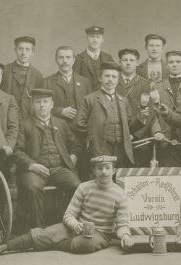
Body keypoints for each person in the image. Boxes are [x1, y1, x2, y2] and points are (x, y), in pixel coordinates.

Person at [0, 155, 134, 257]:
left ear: (113, 170)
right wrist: (75, 224)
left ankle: (52, 244)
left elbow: (122, 225)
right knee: (44, 233)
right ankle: (3, 248)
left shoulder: (120, 194)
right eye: (99, 168)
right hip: (76, 227)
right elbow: (69, 214)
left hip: (100, 233)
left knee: (85, 244)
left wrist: (126, 236)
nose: (103, 172)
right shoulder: (84, 187)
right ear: (94, 170)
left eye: (107, 168)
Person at [14, 89, 81, 230]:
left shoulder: (61, 123)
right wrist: (32, 165)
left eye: (45, 102)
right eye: (38, 102)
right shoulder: (24, 124)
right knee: (32, 187)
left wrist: (73, 157)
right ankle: (38, 230)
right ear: (32, 105)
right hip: (35, 171)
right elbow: (16, 151)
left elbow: (75, 144)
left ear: (52, 104)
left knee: (76, 185)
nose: (42, 105)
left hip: (58, 168)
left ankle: (68, 225)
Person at [75, 61, 148, 168]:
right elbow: (78, 124)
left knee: (119, 178)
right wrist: (93, 136)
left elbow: (129, 126)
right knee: (102, 178)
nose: (110, 79)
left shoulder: (123, 101)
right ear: (100, 78)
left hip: (121, 148)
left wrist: (141, 117)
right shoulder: (90, 99)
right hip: (99, 147)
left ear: (118, 80)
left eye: (114, 77)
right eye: (107, 76)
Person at [38, 46, 92, 180]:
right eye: (61, 57)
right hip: (58, 133)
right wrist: (61, 111)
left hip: (81, 133)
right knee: (62, 170)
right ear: (56, 60)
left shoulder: (85, 82)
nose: (65, 61)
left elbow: (91, 108)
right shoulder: (47, 82)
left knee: (84, 170)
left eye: (68, 57)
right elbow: (40, 107)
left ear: (74, 60)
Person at [116, 48, 164, 167]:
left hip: (139, 138)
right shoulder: (113, 82)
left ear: (137, 63)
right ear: (119, 62)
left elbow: (151, 114)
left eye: (132, 60)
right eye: (125, 60)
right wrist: (123, 134)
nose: (128, 63)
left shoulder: (146, 84)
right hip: (117, 136)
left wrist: (135, 135)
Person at [153, 50, 181, 167]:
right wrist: (157, 131)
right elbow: (153, 114)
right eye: (171, 62)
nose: (174, 64)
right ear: (166, 65)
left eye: (178, 61)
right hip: (165, 138)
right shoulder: (157, 86)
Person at [0, 36, 43, 120]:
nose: (24, 53)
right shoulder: (4, 71)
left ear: (32, 52)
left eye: (27, 49)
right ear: (15, 50)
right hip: (6, 117)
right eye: (20, 49)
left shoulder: (37, 75)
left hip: (28, 119)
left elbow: (39, 101)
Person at [73, 26, 115, 90]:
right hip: (85, 96)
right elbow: (75, 82)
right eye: (92, 37)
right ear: (87, 38)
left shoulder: (108, 58)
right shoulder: (78, 59)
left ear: (102, 39)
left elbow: (114, 78)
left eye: (98, 37)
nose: (95, 40)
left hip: (104, 96)